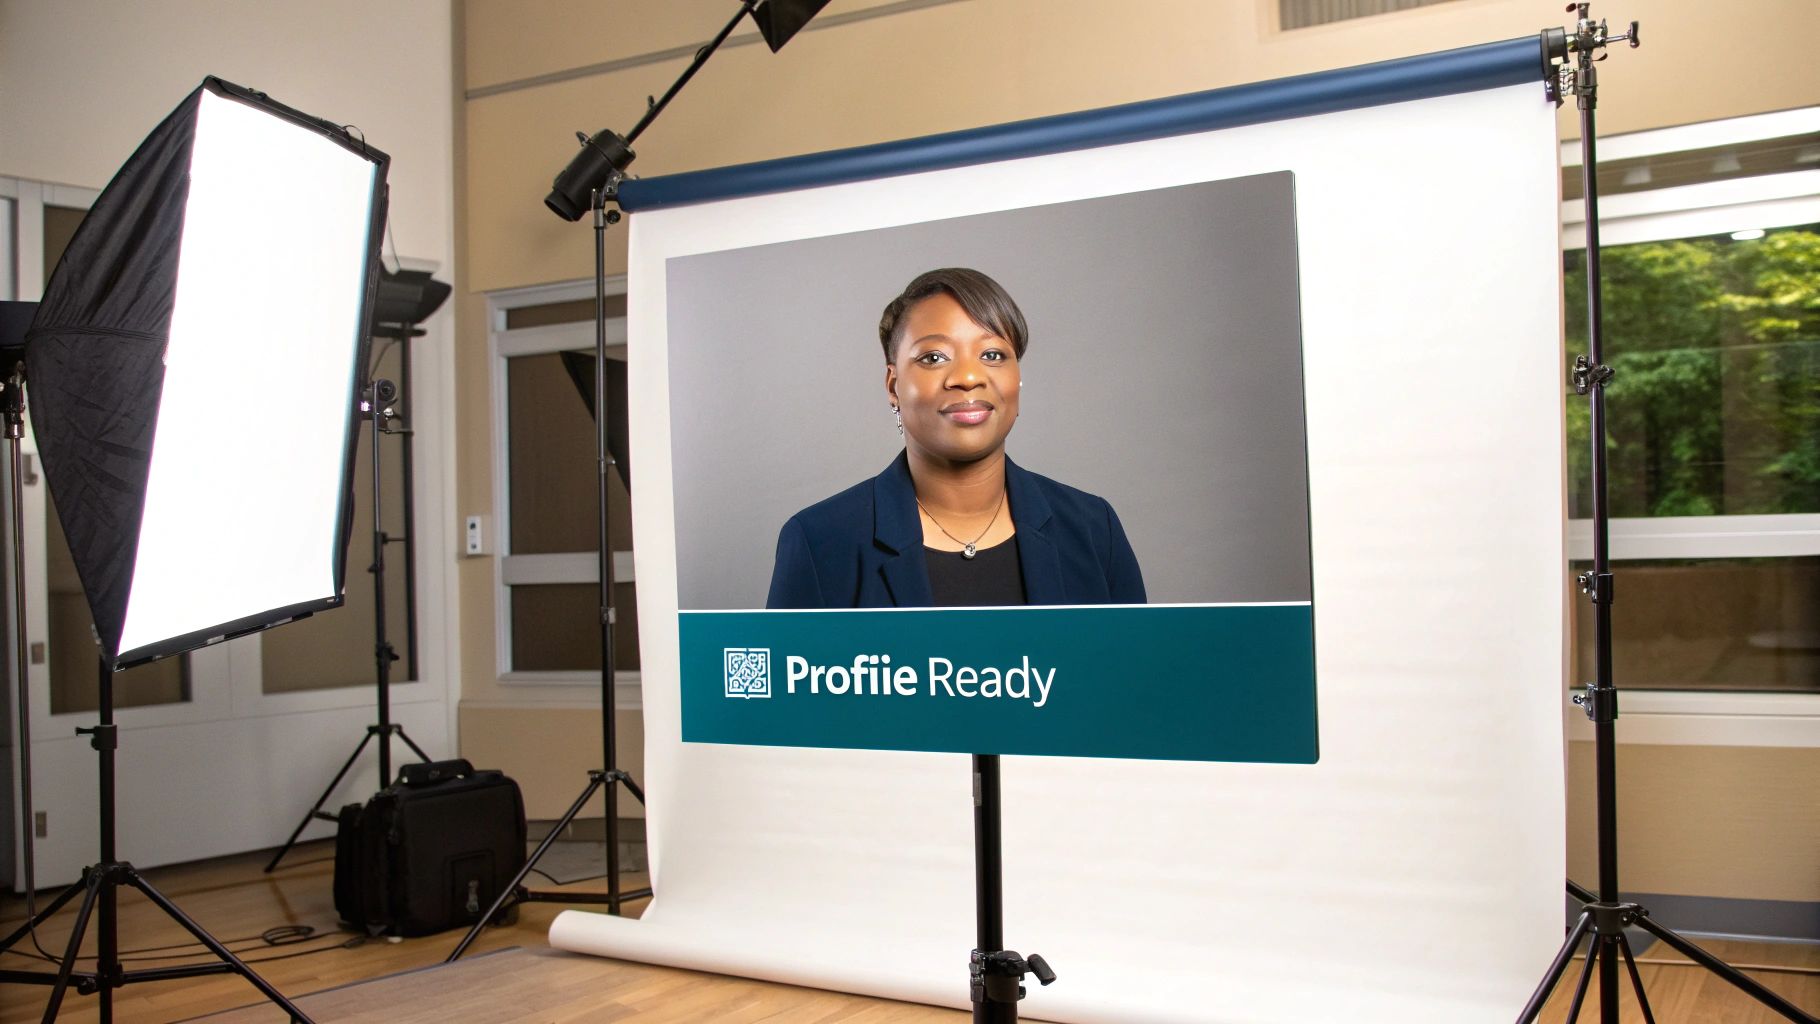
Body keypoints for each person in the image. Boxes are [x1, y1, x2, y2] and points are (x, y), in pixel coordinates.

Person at [765, 267, 1145, 609]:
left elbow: (1137, 683)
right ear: (893, 385)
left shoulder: (1095, 530)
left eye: (993, 355)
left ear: (1018, 379)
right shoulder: (820, 542)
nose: (967, 376)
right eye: (934, 358)